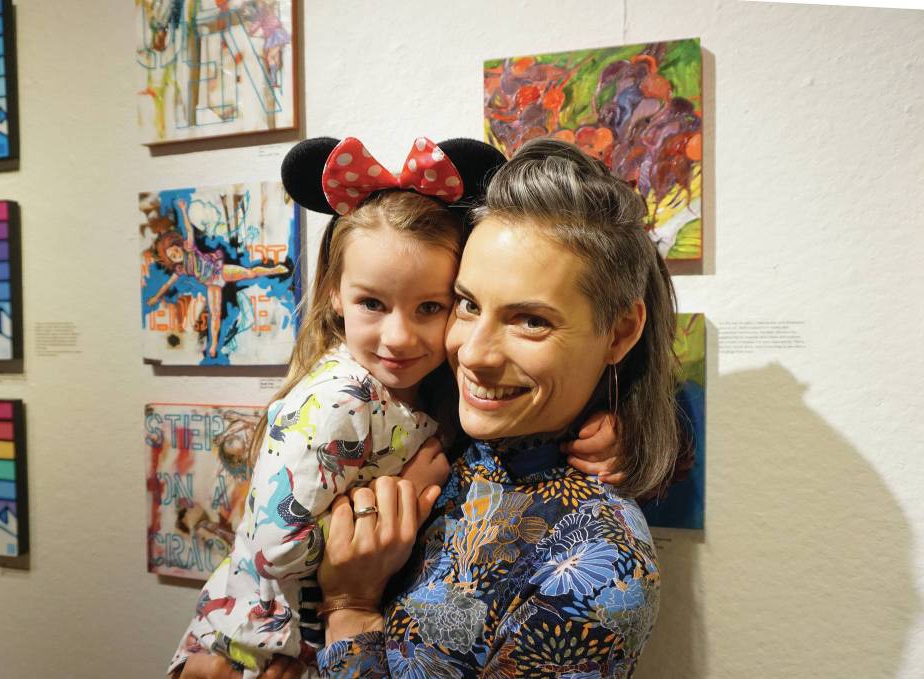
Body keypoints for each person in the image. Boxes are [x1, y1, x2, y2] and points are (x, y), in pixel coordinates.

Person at [170, 137, 627, 679]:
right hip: (259, 646)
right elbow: (272, 548)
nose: (400, 337)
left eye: (433, 306)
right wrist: (397, 509)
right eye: (470, 305)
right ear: (334, 293)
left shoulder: (438, 391)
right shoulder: (342, 401)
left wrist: (616, 422)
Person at [312, 136, 680, 677]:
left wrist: (350, 609)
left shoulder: (600, 566)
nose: (472, 353)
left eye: (531, 320)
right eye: (466, 304)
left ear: (620, 332)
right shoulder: (422, 419)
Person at [147, 198, 290, 359]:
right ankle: (213, 345)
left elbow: (188, 230)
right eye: (172, 256)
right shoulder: (180, 269)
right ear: (172, 261)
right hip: (211, 284)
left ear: (178, 246)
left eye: (174, 250)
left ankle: (274, 269)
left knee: (250, 273)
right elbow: (167, 284)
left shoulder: (189, 248)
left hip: (219, 270)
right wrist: (156, 297)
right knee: (215, 315)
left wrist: (183, 210)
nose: (176, 254)